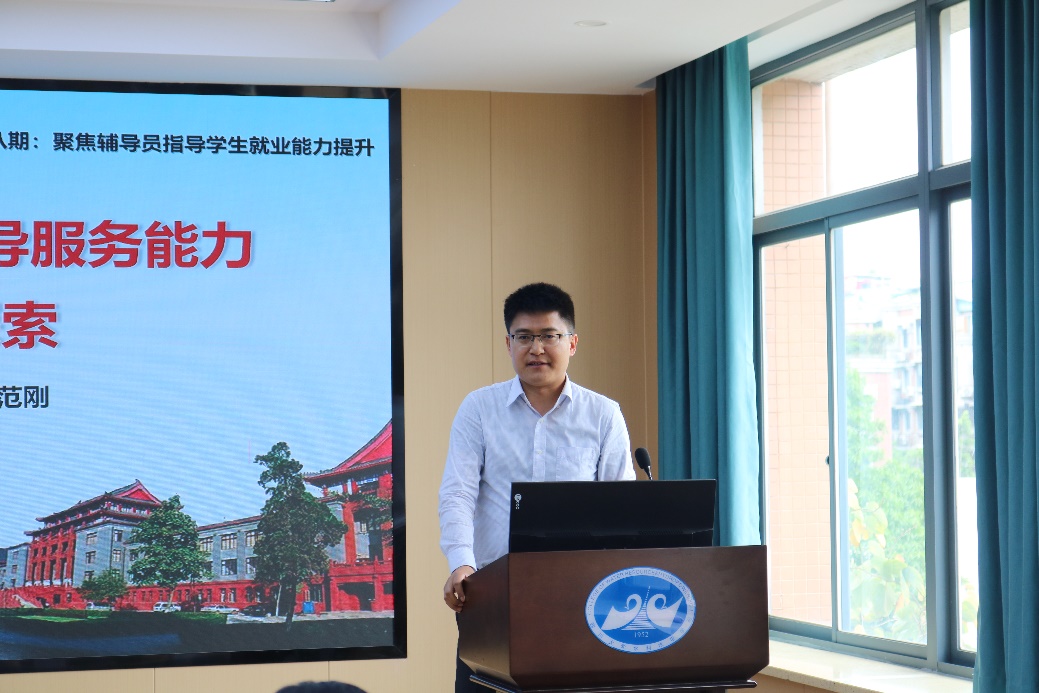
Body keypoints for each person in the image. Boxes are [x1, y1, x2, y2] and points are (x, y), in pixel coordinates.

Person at [438, 282, 635, 692]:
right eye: (524, 337)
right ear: (508, 343)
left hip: (581, 600)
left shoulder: (603, 415)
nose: (537, 348)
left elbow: (622, 508)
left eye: (549, 336)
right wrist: (461, 563)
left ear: (572, 343)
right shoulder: (479, 409)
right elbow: (458, 493)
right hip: (495, 595)